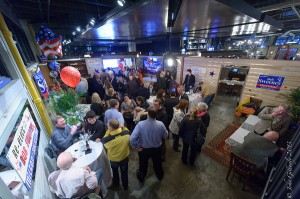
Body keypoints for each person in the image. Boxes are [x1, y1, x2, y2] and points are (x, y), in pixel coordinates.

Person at [130, 106, 168, 182]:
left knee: (143, 164)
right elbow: (166, 136)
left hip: (144, 149)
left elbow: (132, 139)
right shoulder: (160, 124)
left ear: (148, 115)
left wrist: (137, 146)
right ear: (156, 115)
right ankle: (159, 176)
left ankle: (142, 176)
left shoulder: (140, 124)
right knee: (158, 163)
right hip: (157, 149)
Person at [101, 119, 130, 190]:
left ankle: (116, 184)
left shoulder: (107, 140)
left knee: (115, 172)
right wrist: (122, 127)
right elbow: (126, 129)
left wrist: (108, 131)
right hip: (124, 157)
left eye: (108, 126)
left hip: (114, 160)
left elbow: (104, 139)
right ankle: (125, 186)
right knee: (124, 173)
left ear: (110, 128)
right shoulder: (127, 133)